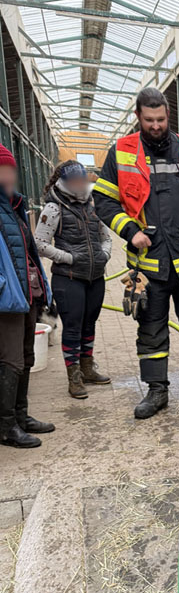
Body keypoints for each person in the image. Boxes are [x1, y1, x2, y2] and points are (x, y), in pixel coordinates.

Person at [93, 87, 179, 419]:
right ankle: (156, 390)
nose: (156, 126)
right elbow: (104, 201)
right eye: (149, 120)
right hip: (146, 266)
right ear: (138, 117)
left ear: (169, 115)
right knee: (150, 327)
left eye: (162, 119)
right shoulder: (121, 152)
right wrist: (131, 232)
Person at [35, 160, 112, 399]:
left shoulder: (93, 205)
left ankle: (88, 367)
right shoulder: (53, 208)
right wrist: (68, 257)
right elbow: (39, 243)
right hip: (68, 278)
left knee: (89, 324)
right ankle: (74, 376)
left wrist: (105, 254)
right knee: (72, 326)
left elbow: (105, 236)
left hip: (95, 276)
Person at [0, 143, 54, 448]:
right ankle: (6, 426)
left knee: (26, 356)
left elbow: (26, 251)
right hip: (7, 300)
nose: (9, 175)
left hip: (27, 294)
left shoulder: (14, 205)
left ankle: (21, 416)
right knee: (10, 360)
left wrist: (40, 289)